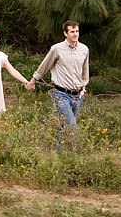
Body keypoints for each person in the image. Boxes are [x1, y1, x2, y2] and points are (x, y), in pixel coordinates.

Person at [26, 20, 90, 150]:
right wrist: (33, 80)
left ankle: (57, 152)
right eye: (72, 32)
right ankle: (74, 154)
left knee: (64, 124)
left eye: (77, 31)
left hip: (77, 95)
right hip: (61, 94)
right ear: (65, 33)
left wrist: (83, 88)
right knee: (71, 124)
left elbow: (85, 71)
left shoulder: (84, 49)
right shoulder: (57, 49)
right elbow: (45, 65)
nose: (75, 34)